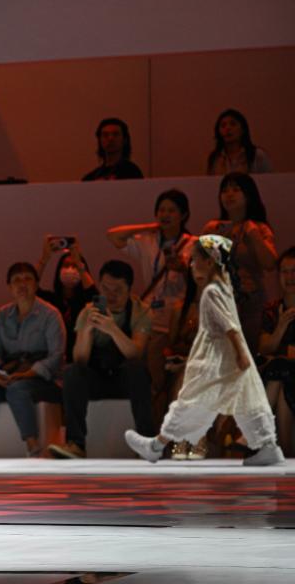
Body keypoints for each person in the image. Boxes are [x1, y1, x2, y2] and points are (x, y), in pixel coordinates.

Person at [126, 235, 285, 466]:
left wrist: (240, 353)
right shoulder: (223, 287)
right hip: (227, 357)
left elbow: (230, 326)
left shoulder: (212, 291)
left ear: (209, 262)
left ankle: (156, 446)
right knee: (246, 401)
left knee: (191, 400)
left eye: (194, 259)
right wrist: (240, 354)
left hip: (216, 359)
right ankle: (267, 445)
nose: (191, 265)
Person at [107, 189, 197, 424]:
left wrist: (183, 269)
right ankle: (152, 427)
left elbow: (202, 280)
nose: (165, 215)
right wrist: (151, 226)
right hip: (150, 317)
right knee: (151, 376)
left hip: (177, 318)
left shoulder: (193, 244)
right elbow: (113, 236)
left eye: (172, 211)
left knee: (172, 379)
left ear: (184, 214)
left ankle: (169, 428)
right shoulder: (148, 240)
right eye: (161, 210)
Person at [50, 260, 154, 459]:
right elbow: (80, 358)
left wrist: (112, 329)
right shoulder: (88, 311)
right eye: (105, 288)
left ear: (129, 290)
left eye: (118, 290)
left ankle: (147, 443)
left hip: (126, 380)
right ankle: (75, 443)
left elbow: (136, 353)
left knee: (137, 369)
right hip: (97, 378)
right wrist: (88, 330)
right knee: (72, 372)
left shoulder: (141, 311)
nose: (111, 295)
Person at [0, 263, 65, 458]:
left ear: (36, 284)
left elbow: (56, 356)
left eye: (27, 279)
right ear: (9, 287)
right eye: (16, 280)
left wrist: (27, 374)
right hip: (11, 375)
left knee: (17, 389)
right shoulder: (3, 315)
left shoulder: (50, 315)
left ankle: (33, 447)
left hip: (44, 380)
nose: (22, 284)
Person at [203, 172, 278, 352]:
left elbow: (270, 263)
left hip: (252, 304)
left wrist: (253, 234)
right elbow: (203, 268)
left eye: (236, 190)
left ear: (248, 195)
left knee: (249, 354)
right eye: (225, 190)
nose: (229, 195)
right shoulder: (214, 227)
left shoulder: (258, 228)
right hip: (222, 303)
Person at [259, 247, 295, 454]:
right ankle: (286, 455)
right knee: (281, 376)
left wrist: (284, 353)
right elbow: (265, 347)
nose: (289, 277)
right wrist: (281, 327)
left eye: (294, 271)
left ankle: (256, 433)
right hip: (282, 375)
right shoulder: (273, 309)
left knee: (280, 368)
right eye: (284, 272)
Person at [37, 236, 97, 357]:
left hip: (83, 356)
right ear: (59, 270)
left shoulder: (86, 302)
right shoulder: (51, 300)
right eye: (66, 265)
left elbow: (93, 294)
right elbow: (31, 288)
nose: (70, 269)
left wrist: (79, 263)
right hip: (54, 356)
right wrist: (44, 258)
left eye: (74, 266)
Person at [206, 108, 273, 175]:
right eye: (223, 126)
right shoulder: (215, 158)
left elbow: (269, 179)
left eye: (233, 124)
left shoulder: (257, 155)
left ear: (243, 129)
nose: (228, 128)